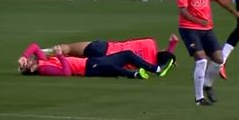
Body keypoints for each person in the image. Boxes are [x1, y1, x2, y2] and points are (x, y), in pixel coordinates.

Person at [177, 0, 239, 106]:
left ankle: (208, 84)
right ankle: (199, 99)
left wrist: (235, 13)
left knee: (219, 60)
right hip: (189, 29)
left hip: (206, 29)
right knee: (201, 61)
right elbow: (183, 11)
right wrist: (198, 20)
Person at [18, 43, 169, 79]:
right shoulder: (45, 69)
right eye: (28, 63)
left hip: (90, 61)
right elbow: (66, 73)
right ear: (31, 69)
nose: (31, 60)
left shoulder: (43, 60)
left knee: (127, 54)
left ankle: (155, 69)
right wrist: (60, 56)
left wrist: (24, 56)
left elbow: (34, 46)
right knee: (112, 68)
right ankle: (136, 75)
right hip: (87, 68)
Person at [40, 34, 179, 70]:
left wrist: (171, 45)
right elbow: (162, 58)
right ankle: (42, 64)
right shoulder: (148, 65)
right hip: (105, 62)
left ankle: (40, 53)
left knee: (68, 49)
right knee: (69, 63)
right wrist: (170, 55)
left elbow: (161, 53)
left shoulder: (150, 42)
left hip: (103, 47)